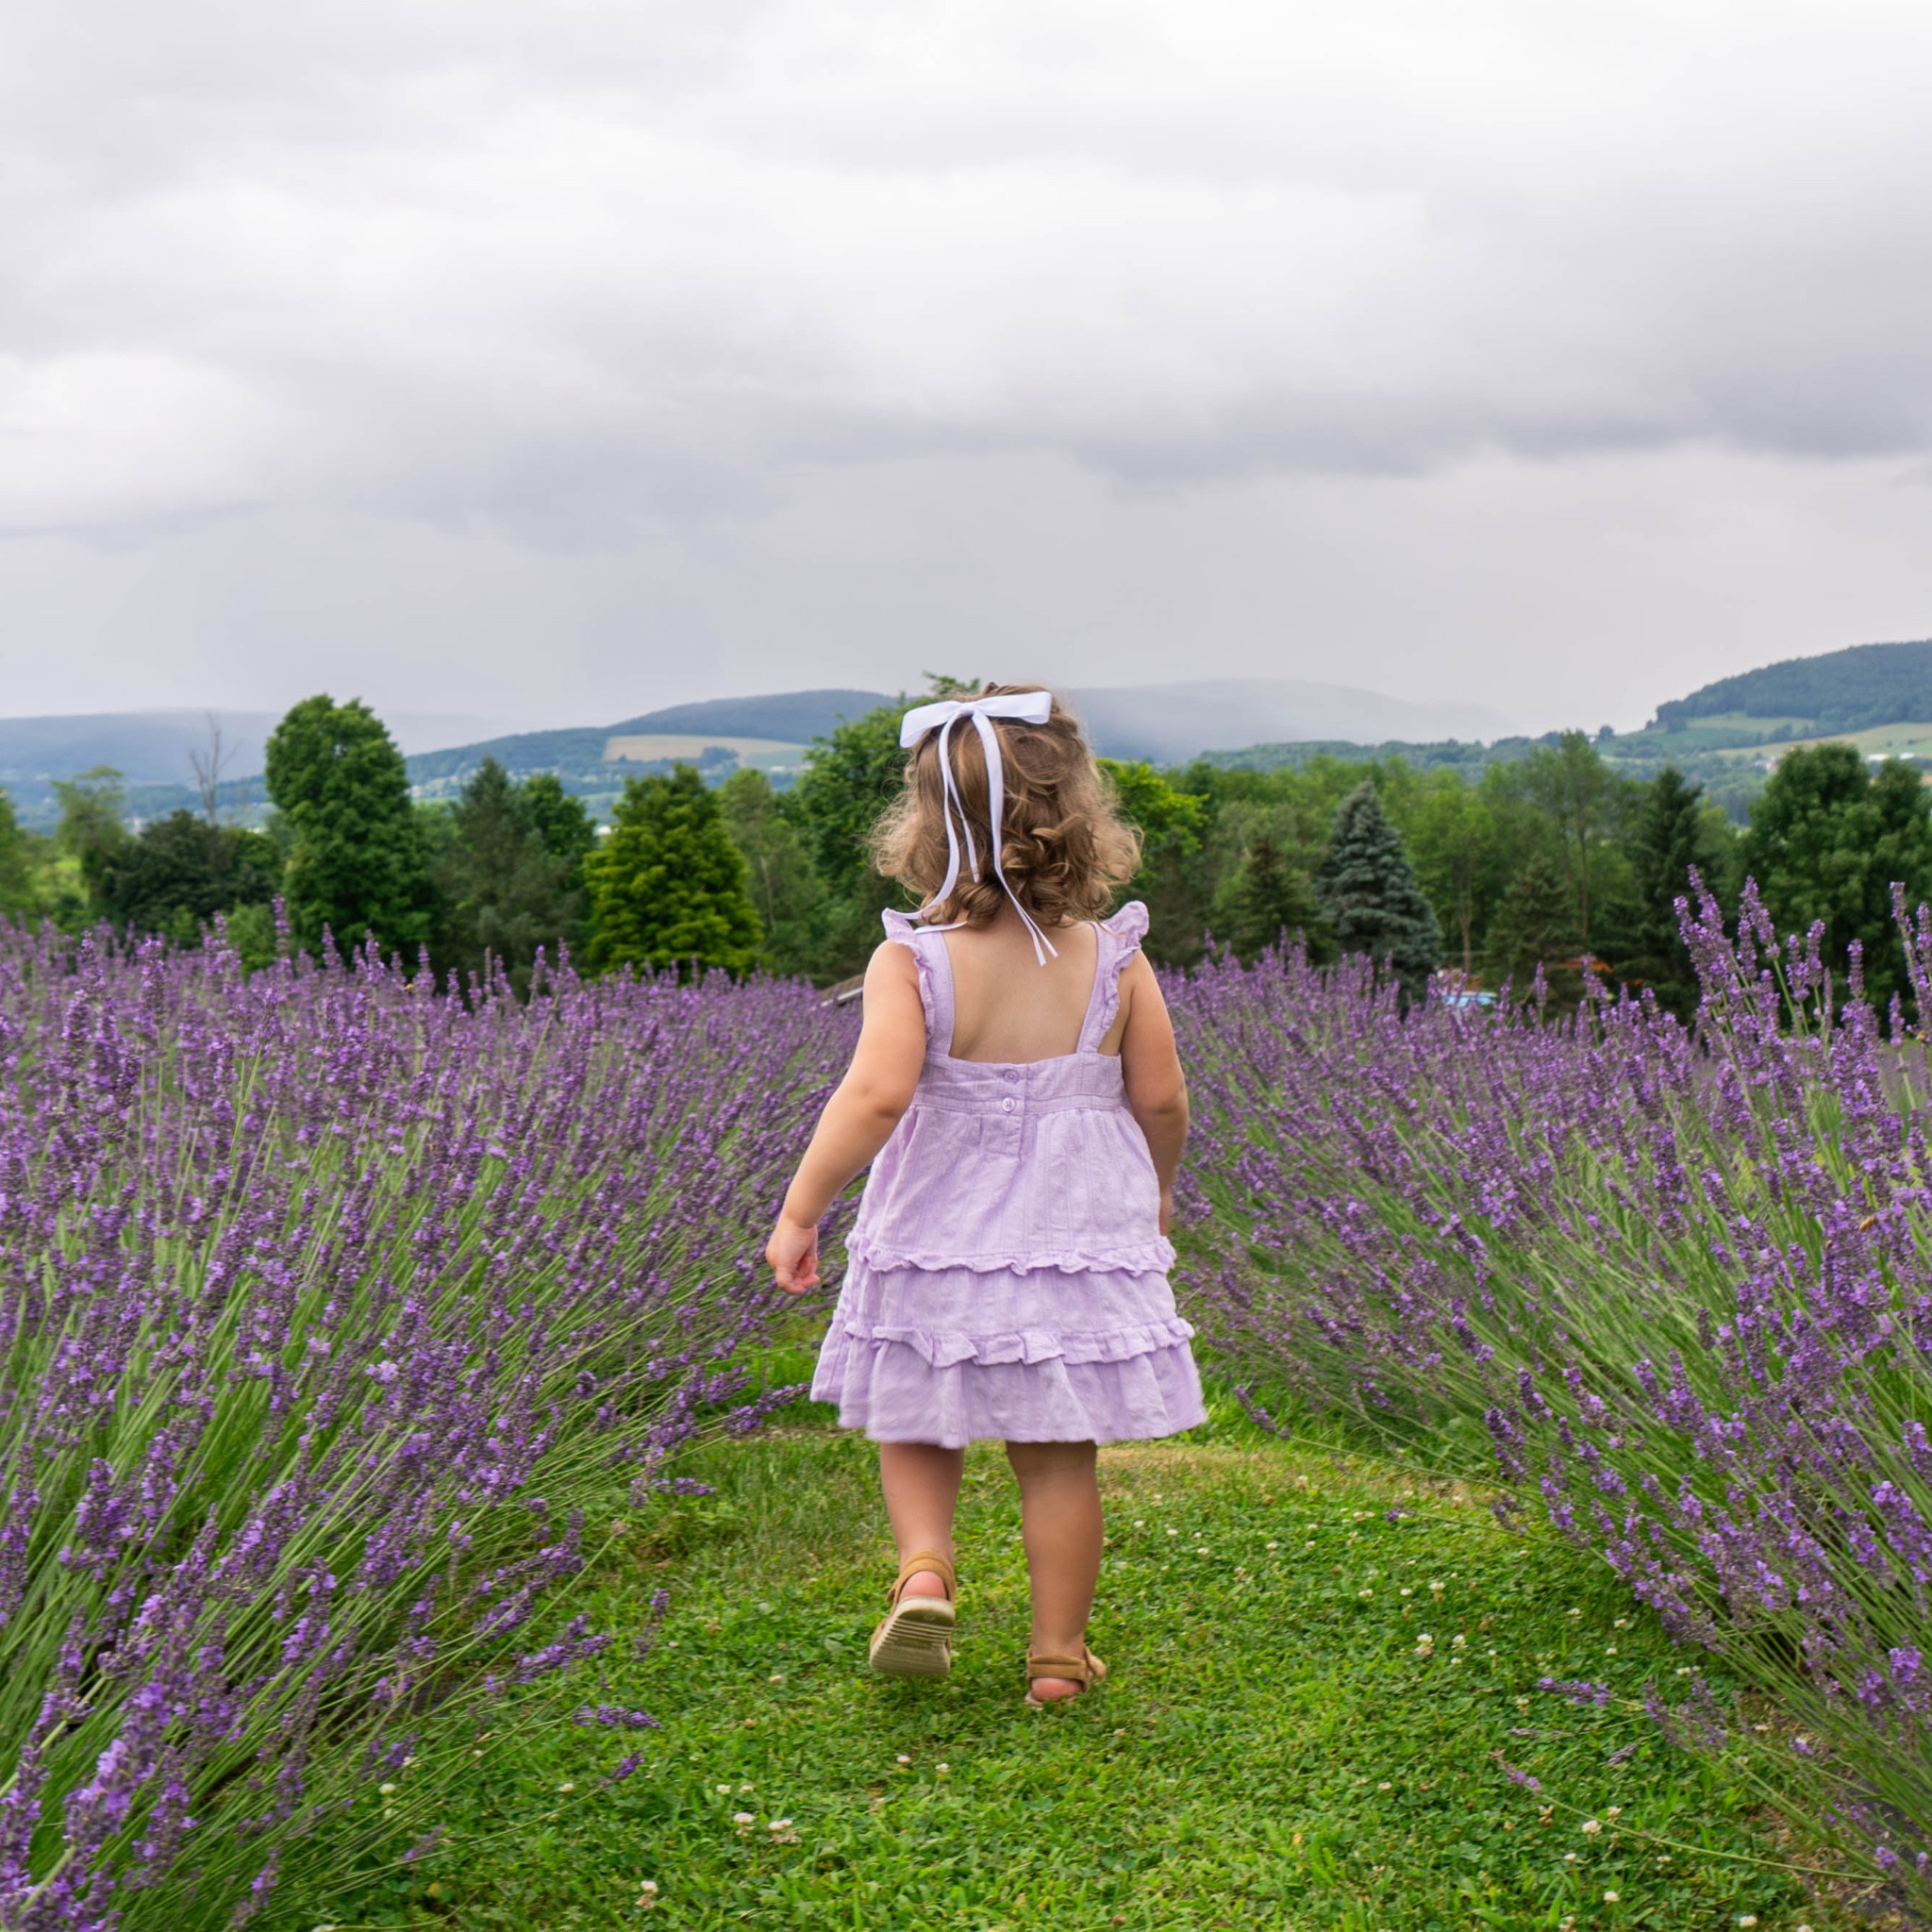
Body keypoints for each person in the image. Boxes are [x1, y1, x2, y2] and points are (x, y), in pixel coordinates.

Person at [765, 683, 1206, 1706]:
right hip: (1071, 1224)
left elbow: (873, 1094)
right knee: (1056, 1454)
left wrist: (801, 1209)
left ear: (924, 831)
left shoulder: (911, 960)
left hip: (938, 1224)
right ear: (1075, 820)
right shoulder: (1116, 958)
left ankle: (924, 1568)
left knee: (917, 1406)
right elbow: (1163, 1095)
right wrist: (1157, 1189)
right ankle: (1056, 1654)